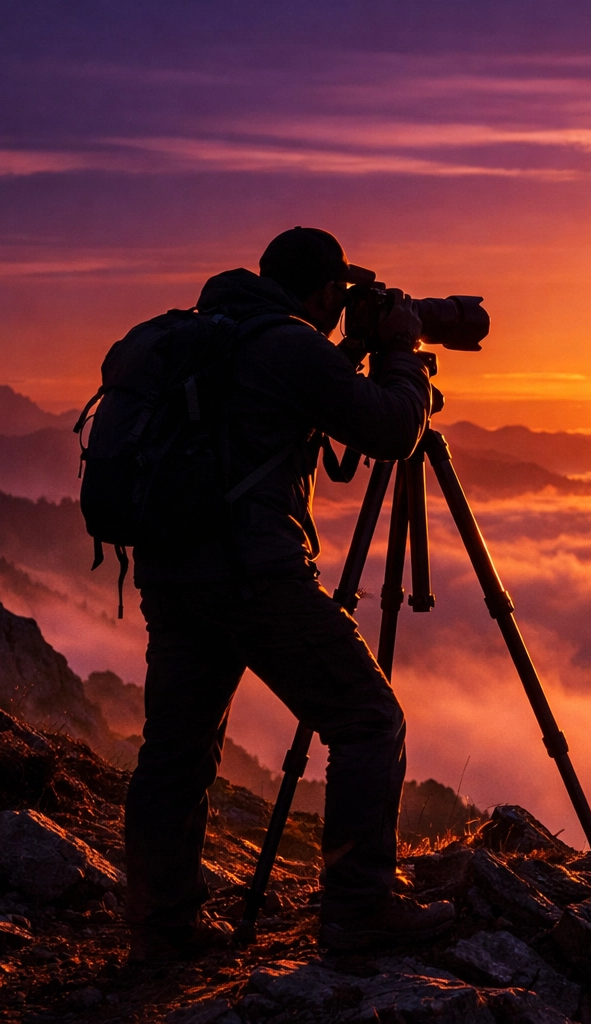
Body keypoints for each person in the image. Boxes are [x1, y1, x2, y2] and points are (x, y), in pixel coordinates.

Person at [123, 227, 455, 963]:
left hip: (174, 574)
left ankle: (160, 930)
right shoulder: (290, 346)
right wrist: (399, 353)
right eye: (342, 295)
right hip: (254, 577)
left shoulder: (221, 333)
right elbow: (394, 432)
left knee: (174, 753)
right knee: (368, 721)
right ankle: (360, 911)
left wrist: (351, 357)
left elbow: (283, 408)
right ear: (328, 291)